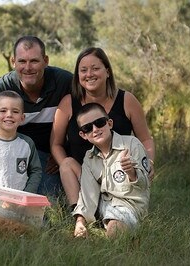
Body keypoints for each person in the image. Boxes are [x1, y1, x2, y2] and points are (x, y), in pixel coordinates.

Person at [0, 36, 73, 198]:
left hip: (46, 155)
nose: (28, 67)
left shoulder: (65, 82)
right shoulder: (2, 87)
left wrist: (62, 152)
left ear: (45, 60)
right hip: (12, 150)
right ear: (13, 62)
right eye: (22, 61)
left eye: (34, 61)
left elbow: (86, 120)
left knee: (52, 200)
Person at [50, 47, 155, 209]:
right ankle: (78, 213)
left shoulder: (127, 101)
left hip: (119, 177)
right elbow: (56, 144)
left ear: (107, 72)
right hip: (84, 176)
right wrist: (66, 171)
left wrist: (149, 162)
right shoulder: (68, 103)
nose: (89, 74)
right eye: (83, 70)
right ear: (78, 76)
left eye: (95, 68)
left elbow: (145, 139)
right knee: (67, 164)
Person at [72, 103, 150, 238]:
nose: (95, 129)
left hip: (129, 206)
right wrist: (80, 222)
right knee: (81, 235)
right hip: (104, 205)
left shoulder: (132, 144)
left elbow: (144, 186)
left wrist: (131, 172)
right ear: (83, 135)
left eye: (99, 122)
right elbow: (87, 195)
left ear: (109, 123)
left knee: (115, 230)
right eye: (88, 128)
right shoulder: (89, 158)